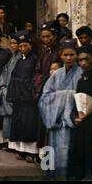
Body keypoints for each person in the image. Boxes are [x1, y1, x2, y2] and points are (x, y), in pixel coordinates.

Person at [38, 39, 83, 179]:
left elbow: (86, 99)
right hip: (55, 122)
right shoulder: (56, 74)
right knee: (52, 154)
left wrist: (67, 99)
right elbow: (44, 98)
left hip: (74, 122)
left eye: (72, 54)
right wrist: (67, 95)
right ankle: (51, 176)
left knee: (72, 155)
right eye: (65, 55)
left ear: (76, 55)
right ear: (61, 56)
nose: (69, 58)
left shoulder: (82, 73)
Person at [67, 45, 92, 180]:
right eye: (80, 60)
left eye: (87, 59)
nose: (83, 63)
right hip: (82, 126)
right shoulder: (81, 80)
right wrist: (75, 117)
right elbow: (78, 103)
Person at [7, 31, 39, 163]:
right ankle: (21, 150)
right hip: (19, 97)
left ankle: (31, 152)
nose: (23, 49)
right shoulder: (20, 61)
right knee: (19, 122)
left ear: (30, 46)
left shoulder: (34, 59)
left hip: (29, 97)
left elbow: (35, 78)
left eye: (25, 46)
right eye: (20, 47)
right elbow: (13, 77)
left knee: (29, 123)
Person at [33, 21, 61, 156]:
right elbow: (38, 71)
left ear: (55, 35)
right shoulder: (45, 52)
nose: (46, 39)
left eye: (48, 36)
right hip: (44, 93)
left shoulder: (61, 52)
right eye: (43, 37)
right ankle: (46, 161)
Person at [0, 34, 21, 142]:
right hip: (7, 90)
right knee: (8, 116)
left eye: (15, 43)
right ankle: (9, 142)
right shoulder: (12, 57)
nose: (13, 45)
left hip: (15, 91)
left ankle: (14, 143)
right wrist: (3, 88)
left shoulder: (20, 58)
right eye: (11, 43)